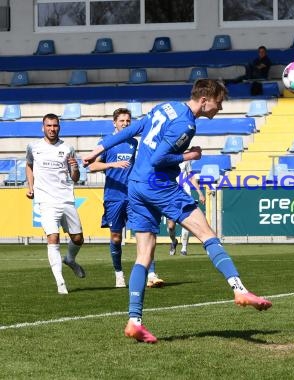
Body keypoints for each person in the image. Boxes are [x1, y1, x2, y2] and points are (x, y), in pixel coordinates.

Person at [83, 79, 272, 343]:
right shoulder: (186, 123)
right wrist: (190, 156)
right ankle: (239, 289)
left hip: (135, 184)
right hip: (157, 183)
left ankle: (134, 320)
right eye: (219, 102)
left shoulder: (167, 107)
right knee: (207, 234)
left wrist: (99, 149)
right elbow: (161, 159)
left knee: (143, 256)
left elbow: (136, 127)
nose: (220, 107)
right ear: (205, 99)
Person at [88, 108, 164, 288]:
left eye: (128, 121)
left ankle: (151, 274)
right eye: (122, 121)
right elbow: (92, 166)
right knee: (116, 237)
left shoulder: (134, 143)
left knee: (143, 233)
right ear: (114, 123)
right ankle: (119, 274)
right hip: (113, 196)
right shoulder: (106, 142)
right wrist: (113, 164)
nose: (125, 124)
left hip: (133, 195)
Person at [25, 113, 86, 295]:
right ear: (43, 127)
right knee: (53, 237)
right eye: (49, 126)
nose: (52, 129)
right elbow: (29, 165)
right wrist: (30, 187)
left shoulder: (68, 148)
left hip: (66, 198)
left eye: (55, 126)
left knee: (78, 239)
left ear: (59, 127)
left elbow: (75, 178)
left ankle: (70, 260)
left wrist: (75, 168)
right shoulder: (33, 147)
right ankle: (60, 282)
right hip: (45, 200)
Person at [167, 160, 206, 256]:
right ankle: (174, 241)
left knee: (186, 223)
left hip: (185, 196)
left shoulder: (186, 160)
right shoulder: (167, 158)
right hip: (171, 196)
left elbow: (191, 177)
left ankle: (184, 248)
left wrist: (200, 193)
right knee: (171, 227)